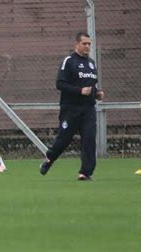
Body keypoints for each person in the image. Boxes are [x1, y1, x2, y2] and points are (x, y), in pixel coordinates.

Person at [40, 32, 104, 181]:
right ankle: (50, 158)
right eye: (84, 44)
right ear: (77, 44)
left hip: (88, 109)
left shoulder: (91, 64)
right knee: (64, 139)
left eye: (89, 44)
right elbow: (60, 84)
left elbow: (91, 86)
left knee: (89, 139)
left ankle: (85, 173)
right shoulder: (69, 61)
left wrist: (97, 93)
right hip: (71, 108)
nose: (87, 46)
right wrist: (79, 91)